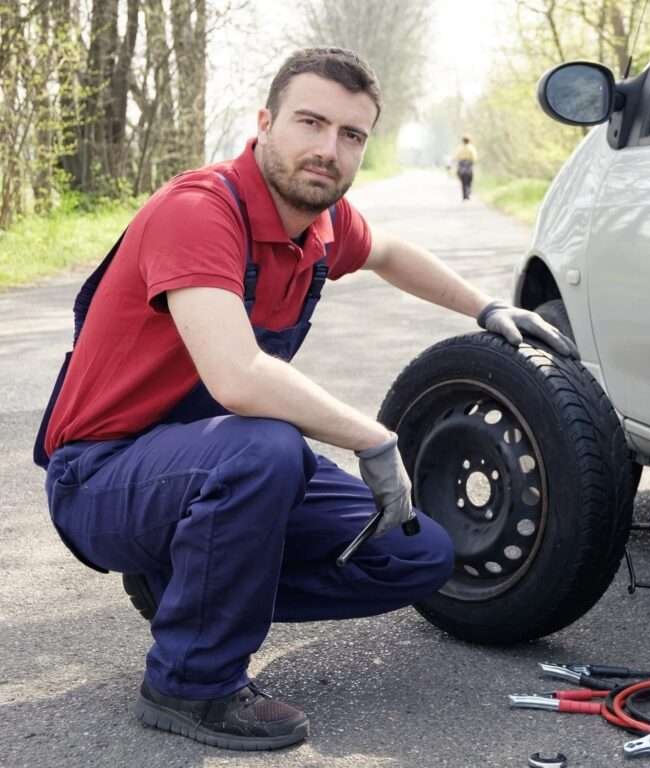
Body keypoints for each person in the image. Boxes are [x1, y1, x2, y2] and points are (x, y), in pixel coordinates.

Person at [33, 47, 576, 752]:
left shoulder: (320, 224)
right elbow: (236, 377)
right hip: (102, 477)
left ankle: (185, 589)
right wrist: (370, 436)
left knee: (415, 554)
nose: (329, 149)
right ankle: (190, 682)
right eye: (311, 122)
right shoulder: (199, 211)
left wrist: (486, 308)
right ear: (265, 122)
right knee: (265, 447)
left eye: (351, 135)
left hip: (207, 466)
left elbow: (387, 252)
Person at [453, 135, 477, 200]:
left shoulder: (460, 148)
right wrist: (473, 162)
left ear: (463, 141)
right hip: (469, 164)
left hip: (462, 164)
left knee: (462, 180)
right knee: (470, 179)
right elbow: (474, 157)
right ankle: (468, 191)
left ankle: (464, 195)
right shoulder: (471, 148)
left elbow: (456, 156)